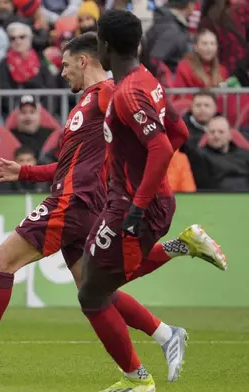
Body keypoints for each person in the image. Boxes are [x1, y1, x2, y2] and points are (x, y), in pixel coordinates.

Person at [0, 31, 227, 379]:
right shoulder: (87, 102)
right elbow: (70, 165)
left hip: (74, 202)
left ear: (84, 61)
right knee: (96, 291)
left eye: (66, 64)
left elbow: (149, 128)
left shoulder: (107, 95)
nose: (62, 72)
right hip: (84, 202)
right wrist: (24, 171)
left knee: (1, 261)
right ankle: (165, 333)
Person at [78, 10, 223, 391]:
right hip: (131, 199)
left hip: (133, 205)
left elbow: (160, 146)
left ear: (104, 47)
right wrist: (144, 181)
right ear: (138, 43)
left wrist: (140, 202)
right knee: (96, 282)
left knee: (93, 292)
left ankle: (139, 381)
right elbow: (179, 130)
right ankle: (180, 253)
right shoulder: (146, 81)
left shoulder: (127, 93)